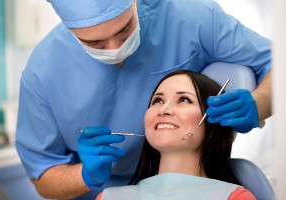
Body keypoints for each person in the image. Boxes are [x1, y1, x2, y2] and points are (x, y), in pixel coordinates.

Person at [15, 0, 272, 199]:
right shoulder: (42, 72)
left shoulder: (189, 17)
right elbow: (43, 175)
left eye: (183, 99)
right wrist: (84, 176)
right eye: (157, 100)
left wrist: (258, 103)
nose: (116, 48)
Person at [96, 70, 256, 200]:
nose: (163, 109)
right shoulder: (108, 197)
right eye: (157, 101)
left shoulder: (234, 197)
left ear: (212, 123)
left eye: (184, 100)